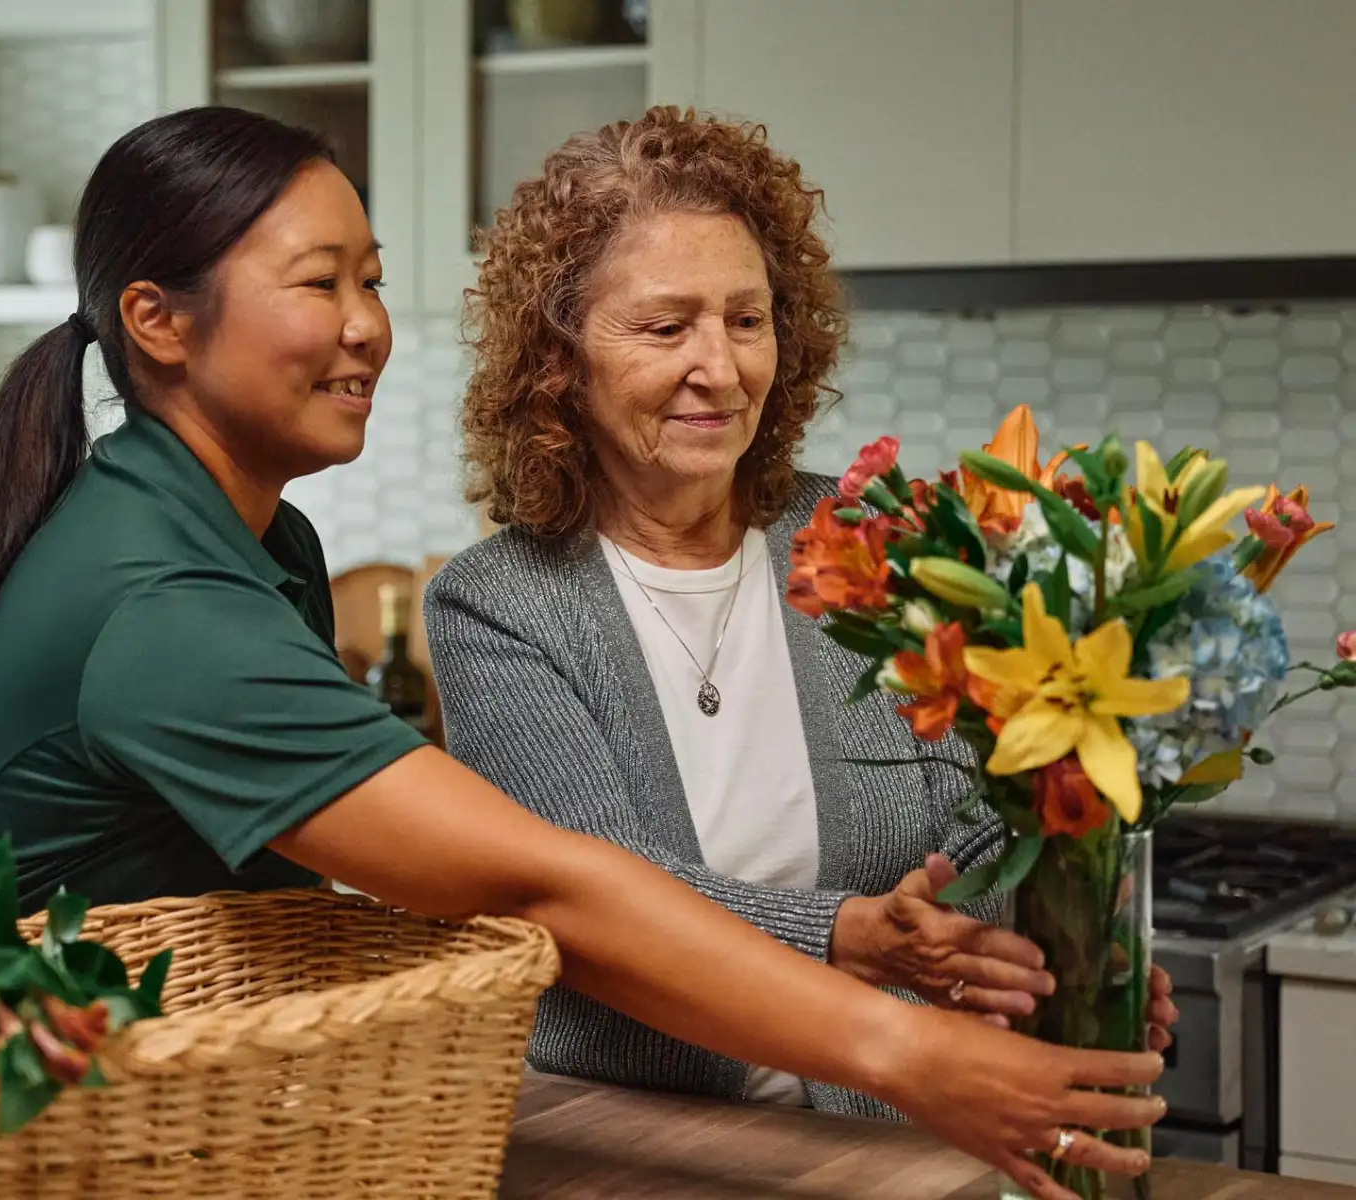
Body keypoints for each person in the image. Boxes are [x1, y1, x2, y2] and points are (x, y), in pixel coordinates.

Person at [0, 106, 1162, 1200]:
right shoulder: (166, 603)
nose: (369, 325)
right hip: (41, 1140)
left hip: (173, 1121)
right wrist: (910, 1050)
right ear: (158, 321)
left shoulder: (256, 543)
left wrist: (1034, 986)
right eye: (319, 283)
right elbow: (550, 887)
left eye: (371, 279)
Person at [425, 106, 1177, 1117]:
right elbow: (599, 892)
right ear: (558, 359)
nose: (722, 368)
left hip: (896, 1134)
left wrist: (1056, 957)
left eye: (746, 319)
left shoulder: (872, 535)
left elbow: (990, 820)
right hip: (638, 1147)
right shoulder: (496, 606)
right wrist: (840, 931)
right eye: (664, 326)